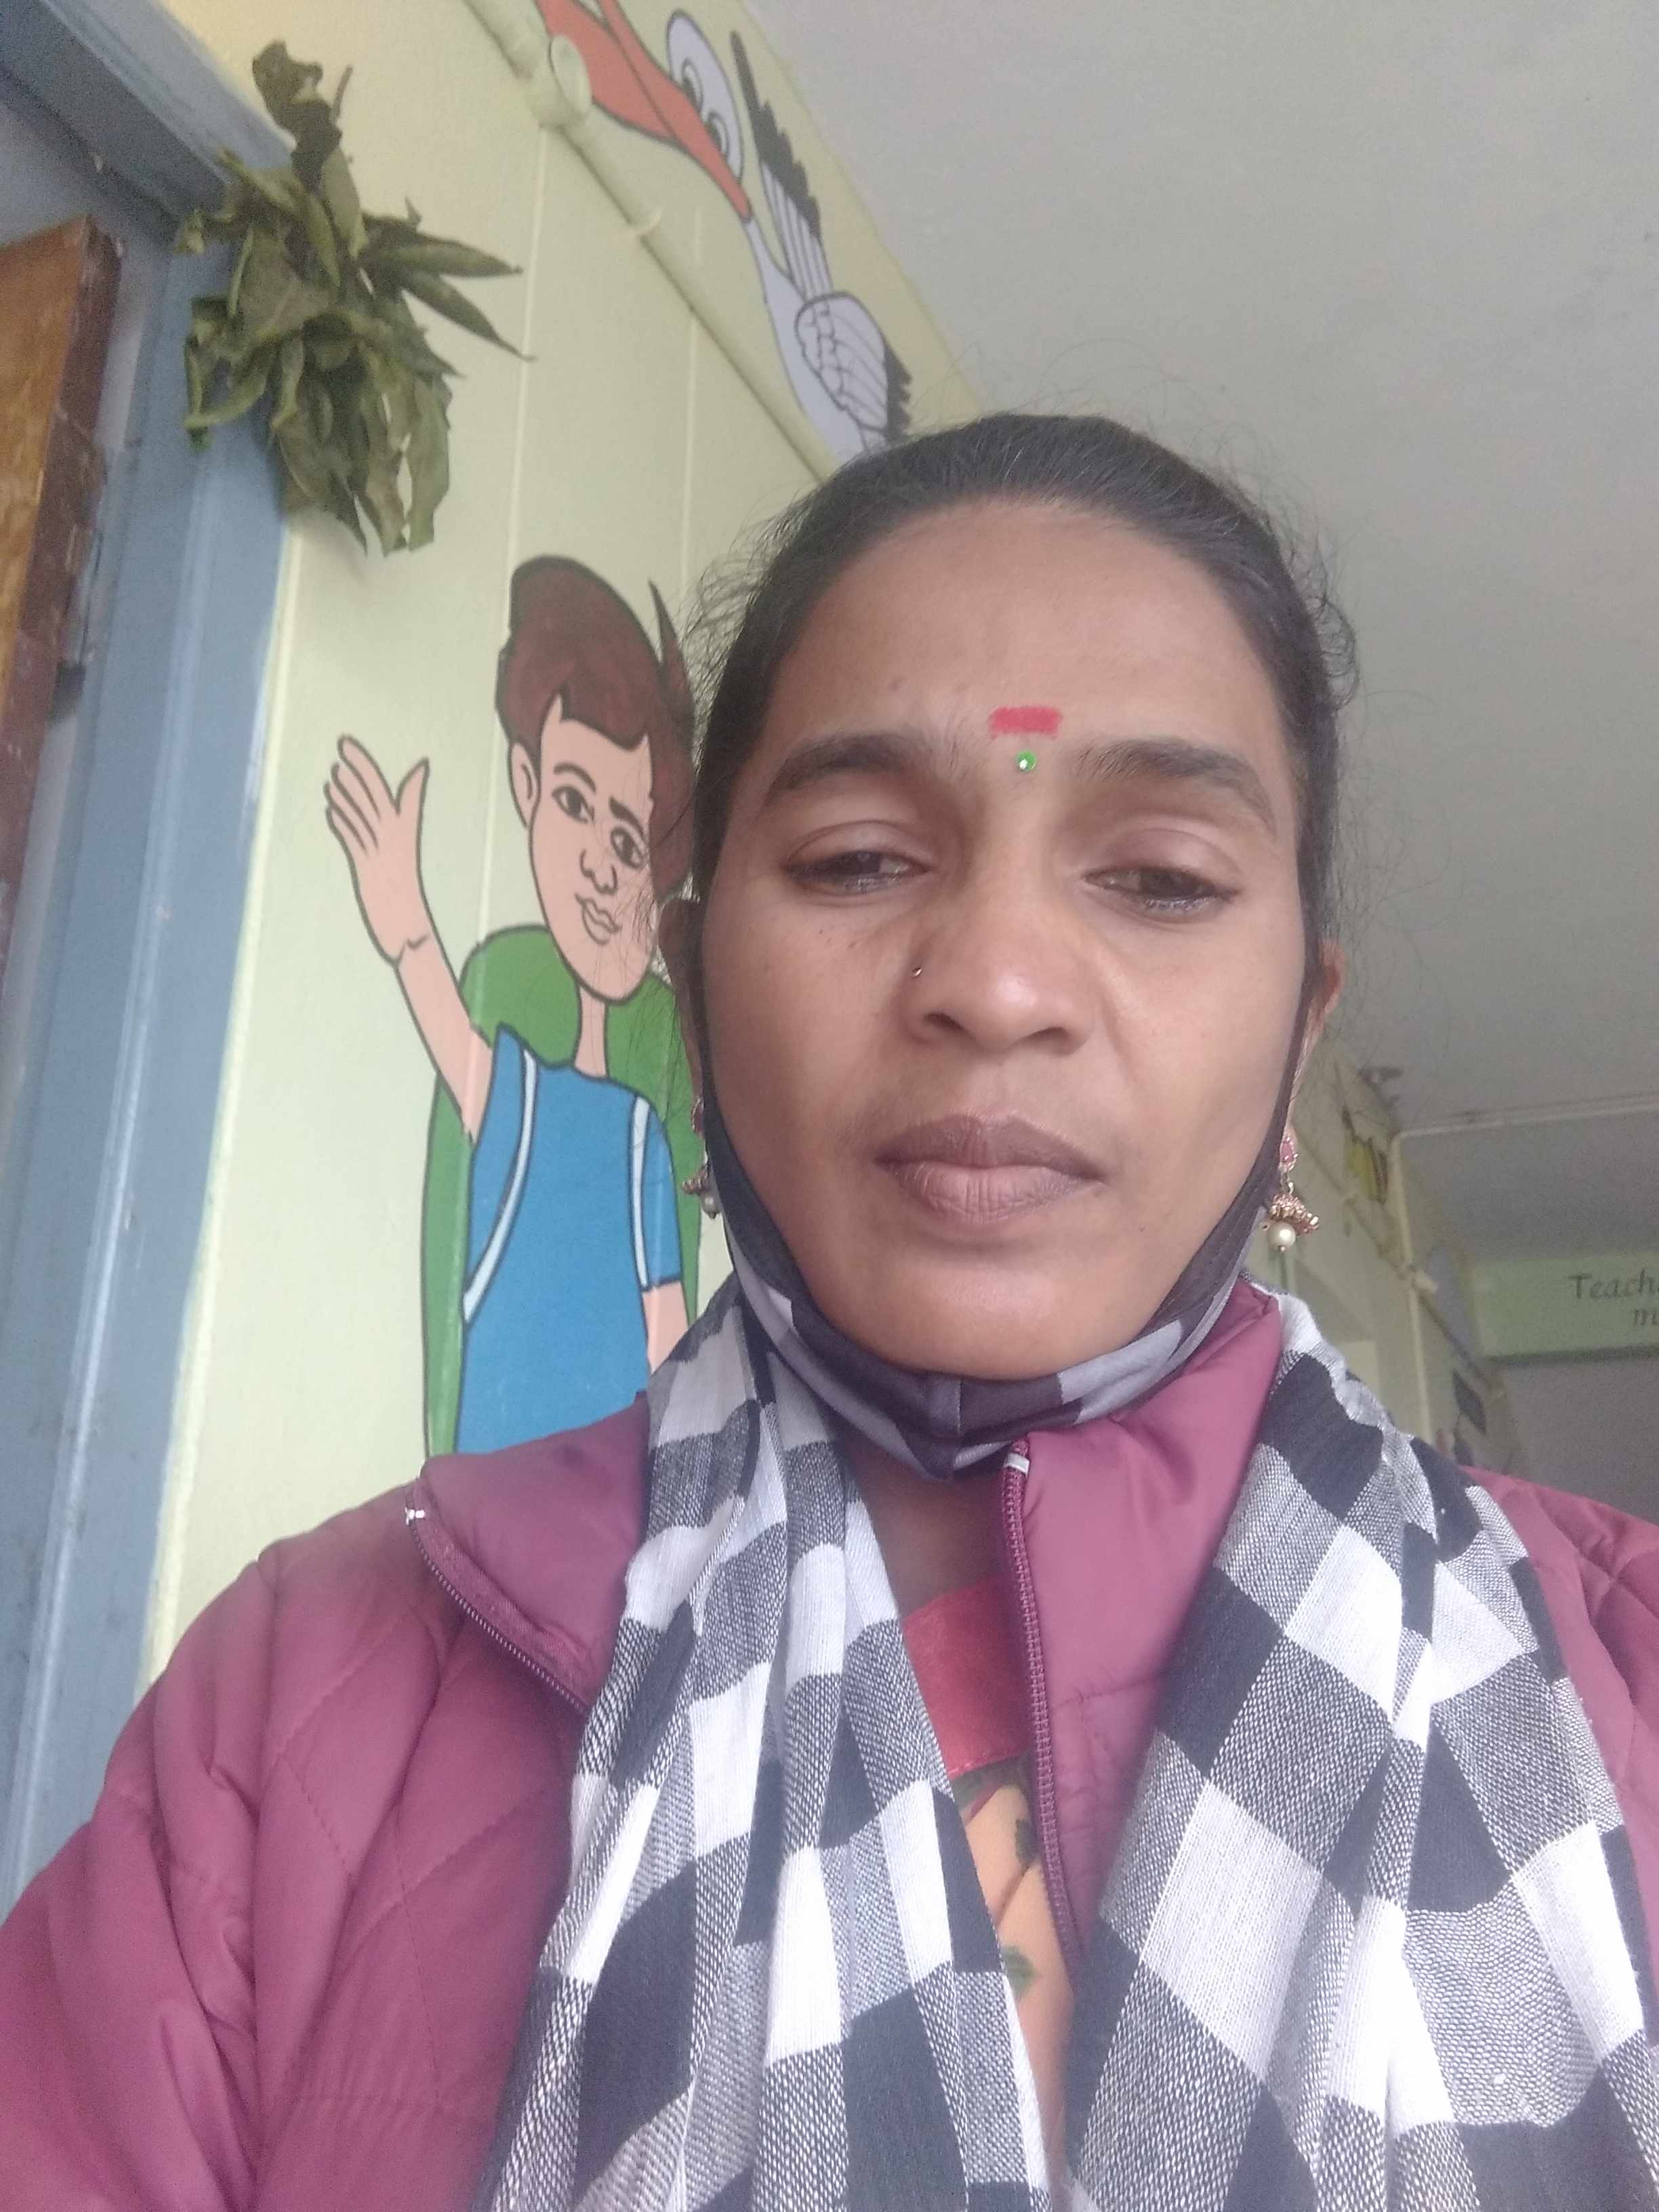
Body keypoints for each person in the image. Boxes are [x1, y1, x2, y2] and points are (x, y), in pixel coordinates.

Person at [4, 413, 1659, 2210]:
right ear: (697, 981)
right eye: (862, 858)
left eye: (1162, 880)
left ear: (1300, 1037)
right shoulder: (313, 1696)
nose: (998, 984)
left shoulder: (1628, 1660)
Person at [327, 558, 697, 1451]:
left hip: (606, 1512)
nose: (602, 866)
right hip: (488, 1495)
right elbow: (456, 1046)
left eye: (629, 842)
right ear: (526, 788)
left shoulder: (644, 1138)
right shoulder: (521, 1096)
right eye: (574, 801)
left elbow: (669, 1341)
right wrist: (409, 929)